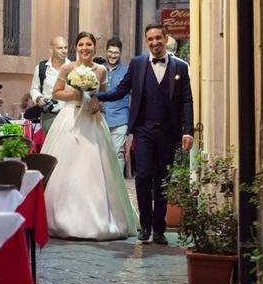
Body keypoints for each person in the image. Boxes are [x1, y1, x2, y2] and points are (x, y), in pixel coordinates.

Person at [94, 23, 194, 245]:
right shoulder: (138, 64)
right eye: (150, 39)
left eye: (158, 38)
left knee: (162, 179)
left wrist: (188, 130)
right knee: (143, 176)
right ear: (146, 41)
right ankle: (145, 226)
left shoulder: (180, 67)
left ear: (165, 38)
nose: (155, 42)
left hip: (168, 132)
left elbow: (187, 99)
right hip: (143, 130)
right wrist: (97, 96)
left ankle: (159, 228)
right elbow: (121, 90)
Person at [42, 31, 138, 240]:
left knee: (93, 167)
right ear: (76, 47)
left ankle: (99, 217)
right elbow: (56, 92)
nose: (85, 48)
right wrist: (75, 93)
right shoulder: (68, 68)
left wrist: (97, 102)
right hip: (70, 119)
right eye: (81, 44)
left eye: (89, 45)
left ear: (94, 48)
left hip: (92, 120)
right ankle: (60, 217)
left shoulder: (101, 70)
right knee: (66, 168)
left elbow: (103, 94)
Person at [102, 37, 130, 174]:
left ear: (120, 53)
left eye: (116, 53)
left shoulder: (127, 71)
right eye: (110, 52)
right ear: (106, 52)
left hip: (120, 118)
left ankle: (118, 185)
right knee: (102, 153)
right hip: (101, 118)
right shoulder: (99, 70)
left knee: (118, 151)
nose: (113, 55)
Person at [29, 36, 69, 134]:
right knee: (50, 148)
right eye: (60, 48)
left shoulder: (72, 67)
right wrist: (39, 99)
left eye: (66, 47)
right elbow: (34, 89)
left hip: (68, 117)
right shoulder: (41, 67)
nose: (64, 51)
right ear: (51, 49)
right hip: (49, 117)